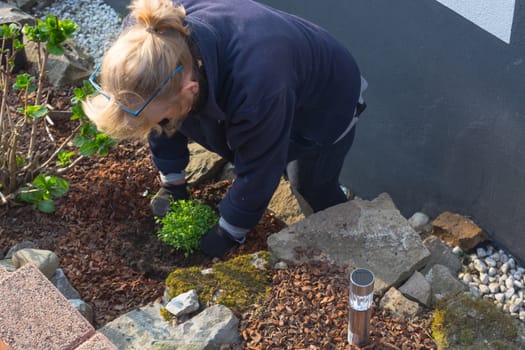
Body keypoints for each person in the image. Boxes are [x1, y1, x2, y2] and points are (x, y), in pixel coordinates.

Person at [83, 0, 367, 259]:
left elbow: (260, 166)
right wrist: (172, 180)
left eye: (161, 119)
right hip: (270, 85)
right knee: (174, 115)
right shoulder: (144, 39)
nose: (159, 125)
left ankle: (356, 249)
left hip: (326, 102)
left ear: (191, 89)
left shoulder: (257, 87)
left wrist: (228, 231)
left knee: (309, 184)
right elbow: (161, 118)